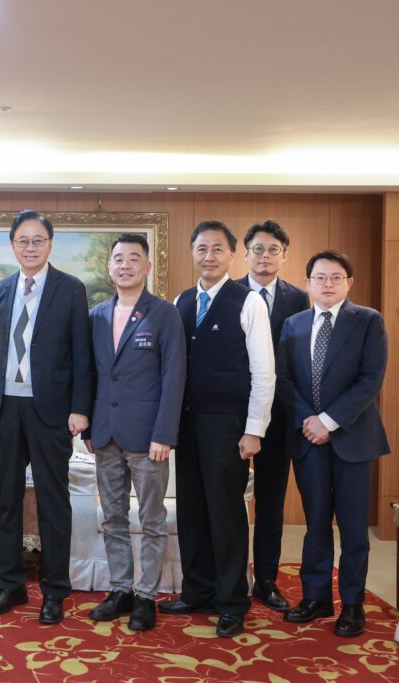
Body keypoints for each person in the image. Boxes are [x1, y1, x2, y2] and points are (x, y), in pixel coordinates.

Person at [159, 220, 274, 638]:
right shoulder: (181, 301)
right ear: (192, 253)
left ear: (231, 255)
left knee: (226, 514)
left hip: (228, 426)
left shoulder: (249, 302)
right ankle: (198, 590)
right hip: (187, 425)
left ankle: (231, 601)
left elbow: (264, 372)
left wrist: (254, 429)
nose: (208, 257)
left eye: (217, 249)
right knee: (191, 510)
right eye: (201, 249)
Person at [0, 209, 93, 625]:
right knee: (7, 500)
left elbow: (82, 354)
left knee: (52, 502)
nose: (30, 248)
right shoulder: (0, 290)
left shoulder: (70, 288)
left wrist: (80, 408)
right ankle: (10, 585)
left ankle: (55, 591)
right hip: (7, 408)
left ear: (50, 244)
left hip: (52, 411)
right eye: (23, 241)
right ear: (13, 246)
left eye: (37, 240)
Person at [278, 250, 389, 638]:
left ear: (349, 282)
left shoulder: (368, 321)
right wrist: (308, 421)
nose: (328, 284)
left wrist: (328, 421)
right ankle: (316, 598)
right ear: (307, 283)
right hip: (308, 439)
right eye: (320, 277)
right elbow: (283, 380)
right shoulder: (292, 324)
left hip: (353, 438)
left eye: (336, 277)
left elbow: (370, 380)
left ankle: (353, 604)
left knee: (354, 528)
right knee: (316, 524)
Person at [83, 234, 185, 632]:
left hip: (148, 438)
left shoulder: (163, 314)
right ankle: (121, 589)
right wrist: (88, 425)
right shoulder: (96, 315)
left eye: (133, 258)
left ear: (146, 267)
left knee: (152, 521)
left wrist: (165, 434)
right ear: (109, 267)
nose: (125, 265)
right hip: (105, 435)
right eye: (118, 259)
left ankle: (146, 596)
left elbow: (174, 377)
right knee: (112, 518)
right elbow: (90, 374)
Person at [236, 220, 310, 612]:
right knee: (230, 500)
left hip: (279, 416)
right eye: (258, 249)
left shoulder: (298, 299)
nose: (265, 256)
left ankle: (266, 580)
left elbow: (299, 359)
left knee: (270, 501)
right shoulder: (229, 294)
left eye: (273, 250)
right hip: (234, 415)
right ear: (245, 253)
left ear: (284, 255)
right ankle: (231, 577)